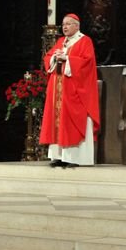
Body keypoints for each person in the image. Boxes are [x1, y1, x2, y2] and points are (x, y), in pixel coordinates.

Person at [40, 13, 100, 167]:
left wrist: (67, 59)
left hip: (75, 91)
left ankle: (74, 158)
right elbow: (48, 57)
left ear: (76, 26)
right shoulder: (61, 41)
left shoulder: (85, 41)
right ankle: (58, 156)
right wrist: (55, 57)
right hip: (59, 90)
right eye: (63, 24)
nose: (64, 27)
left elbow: (87, 63)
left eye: (68, 24)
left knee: (72, 122)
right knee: (57, 121)